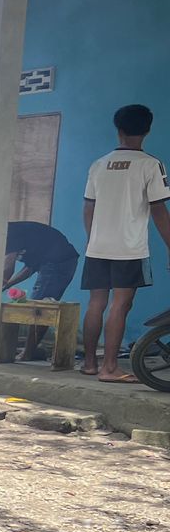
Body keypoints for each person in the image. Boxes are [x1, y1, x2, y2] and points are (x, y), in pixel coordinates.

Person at [81, 104, 170, 381]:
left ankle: (89, 364)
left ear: (118, 130)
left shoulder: (98, 164)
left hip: (97, 247)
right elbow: (159, 211)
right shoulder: (150, 165)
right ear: (148, 130)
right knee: (120, 304)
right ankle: (110, 368)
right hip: (128, 249)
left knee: (96, 303)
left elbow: (88, 208)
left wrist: (93, 240)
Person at [2, 221, 80, 360]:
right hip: (63, 260)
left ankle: (27, 353)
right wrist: (7, 285)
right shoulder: (26, 238)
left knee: (39, 309)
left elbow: (8, 267)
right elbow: (29, 269)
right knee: (41, 305)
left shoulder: (9, 233)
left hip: (59, 261)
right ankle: (30, 350)